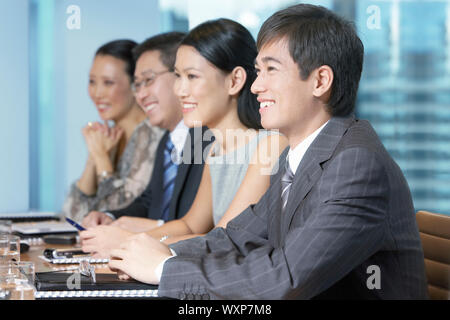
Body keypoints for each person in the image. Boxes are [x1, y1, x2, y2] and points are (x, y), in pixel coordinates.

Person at [109, 4, 428, 300]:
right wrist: (161, 253)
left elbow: (286, 276)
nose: (257, 86)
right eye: (257, 71)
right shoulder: (299, 154)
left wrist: (162, 269)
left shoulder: (356, 163)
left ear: (320, 80)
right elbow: (236, 237)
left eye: (270, 70)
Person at [81, 19, 287, 254]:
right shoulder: (213, 149)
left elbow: (225, 239)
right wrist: (122, 236)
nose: (180, 90)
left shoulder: (270, 145)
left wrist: (128, 242)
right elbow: (190, 224)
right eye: (178, 76)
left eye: (192, 77)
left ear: (235, 80)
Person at [80, 33, 212, 255]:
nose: (140, 95)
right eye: (137, 85)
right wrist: (111, 217)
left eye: (148, 81)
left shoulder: (211, 138)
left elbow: (209, 231)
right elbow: (149, 200)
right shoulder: (167, 141)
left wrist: (141, 233)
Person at [62, 40, 164, 222]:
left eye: (108, 83)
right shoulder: (108, 135)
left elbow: (119, 214)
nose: (97, 93)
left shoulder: (152, 134)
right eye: (92, 82)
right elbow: (73, 214)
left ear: (135, 85)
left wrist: (101, 159)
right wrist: (94, 157)